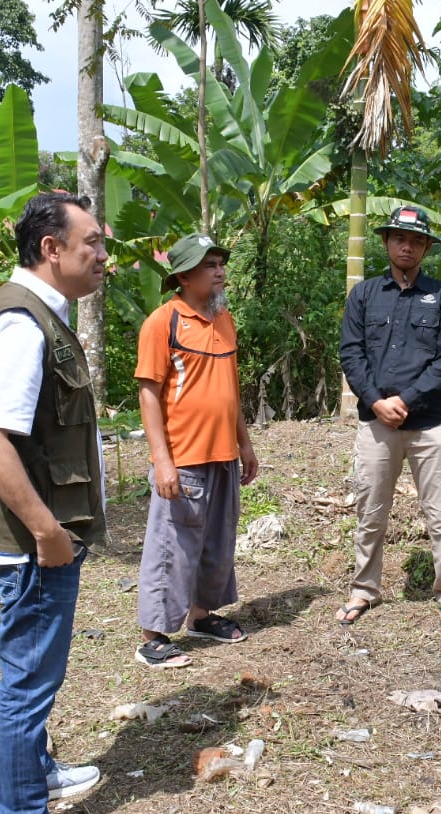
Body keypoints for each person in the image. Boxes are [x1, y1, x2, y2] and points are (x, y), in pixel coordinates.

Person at [0, 192, 108, 814]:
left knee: (36, 670)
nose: (104, 256)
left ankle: (37, 772)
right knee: (27, 677)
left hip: (41, 537)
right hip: (33, 544)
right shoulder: (21, 324)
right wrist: (48, 531)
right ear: (51, 250)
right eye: (92, 245)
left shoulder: (44, 316)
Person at [336, 206, 441, 628]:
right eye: (398, 238)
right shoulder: (364, 295)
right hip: (376, 424)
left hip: (431, 424)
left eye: (415, 240)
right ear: (386, 243)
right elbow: (351, 354)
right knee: (370, 512)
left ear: (427, 246)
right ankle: (363, 590)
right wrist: (376, 401)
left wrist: (405, 400)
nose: (406, 245)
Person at [132, 233, 258, 670]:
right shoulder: (162, 322)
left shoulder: (225, 320)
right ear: (184, 276)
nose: (220, 270)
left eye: (221, 262)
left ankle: (202, 616)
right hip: (182, 456)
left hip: (222, 453)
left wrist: (245, 443)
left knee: (216, 541)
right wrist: (162, 460)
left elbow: (230, 389)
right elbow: (149, 394)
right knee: (173, 545)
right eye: (210, 265)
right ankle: (153, 637)